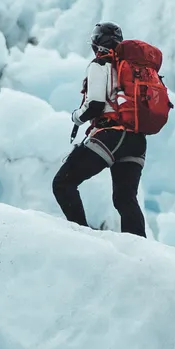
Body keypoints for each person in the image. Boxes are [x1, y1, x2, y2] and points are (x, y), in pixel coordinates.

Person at [52, 21, 147, 236]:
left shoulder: (99, 65)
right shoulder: (133, 70)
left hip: (111, 135)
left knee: (63, 183)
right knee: (125, 199)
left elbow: (95, 104)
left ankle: (82, 237)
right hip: (136, 140)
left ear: (96, 44)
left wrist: (76, 117)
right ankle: (142, 251)